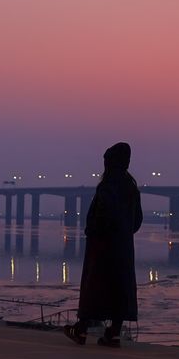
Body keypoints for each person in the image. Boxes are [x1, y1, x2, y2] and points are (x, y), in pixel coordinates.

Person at [64, 142, 143, 347]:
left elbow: (100, 218)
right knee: (120, 289)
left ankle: (81, 330)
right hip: (124, 248)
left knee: (95, 287)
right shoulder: (131, 188)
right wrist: (124, 234)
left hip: (102, 247)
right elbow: (137, 221)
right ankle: (114, 334)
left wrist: (93, 232)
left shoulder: (107, 187)